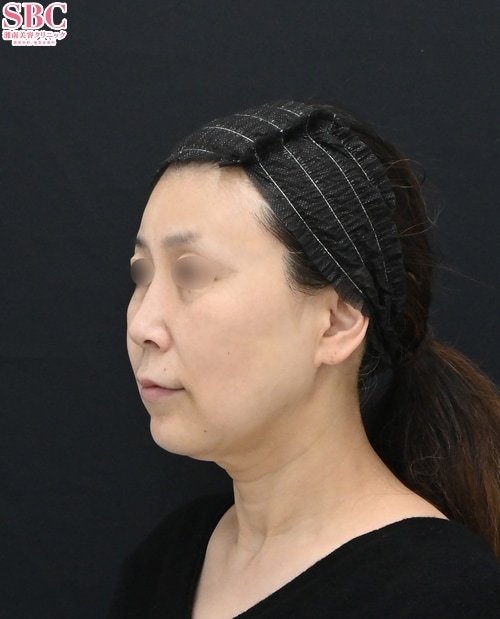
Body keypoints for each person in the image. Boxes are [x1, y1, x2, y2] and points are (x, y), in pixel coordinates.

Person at [109, 100, 500, 618]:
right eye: (141, 274)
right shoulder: (167, 560)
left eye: (191, 273)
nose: (142, 326)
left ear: (337, 321)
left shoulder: (440, 595)